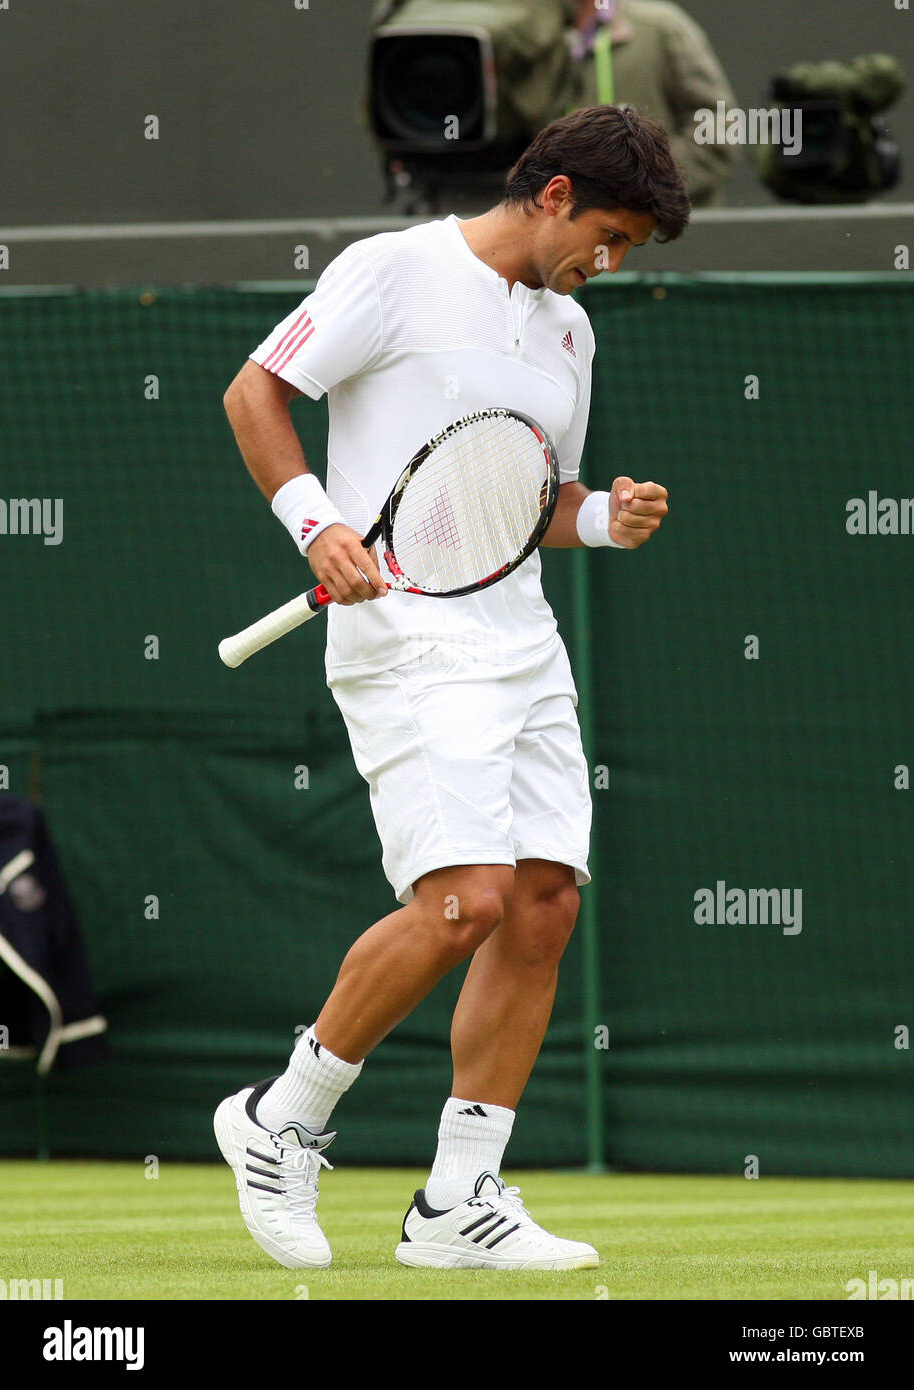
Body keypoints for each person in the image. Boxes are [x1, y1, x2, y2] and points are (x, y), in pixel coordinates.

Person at [215, 103, 688, 1272]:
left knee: (541, 904)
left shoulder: (571, 332)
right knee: (464, 898)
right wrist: (314, 522)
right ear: (558, 194)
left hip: (522, 643)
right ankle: (283, 1117)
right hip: (407, 644)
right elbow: (253, 392)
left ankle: (457, 1201)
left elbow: (534, 503)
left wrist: (608, 522)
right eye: (611, 237)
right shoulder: (391, 271)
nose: (609, 266)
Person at [568, 0, 738, 207]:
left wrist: (644, 180)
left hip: (669, 223)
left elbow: (719, 122)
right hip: (573, 225)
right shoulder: (538, 36)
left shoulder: (659, 26)